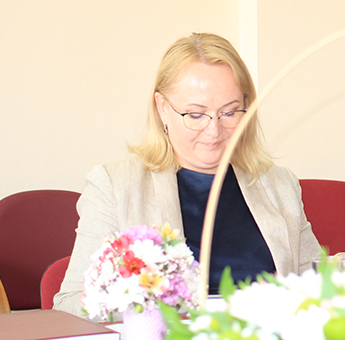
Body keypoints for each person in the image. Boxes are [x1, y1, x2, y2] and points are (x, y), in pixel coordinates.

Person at [54, 33, 320, 316]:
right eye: (195, 115)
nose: (214, 131)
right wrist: (156, 314)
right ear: (162, 108)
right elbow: (71, 302)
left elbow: (318, 283)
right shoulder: (115, 186)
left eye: (230, 113)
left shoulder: (279, 185)